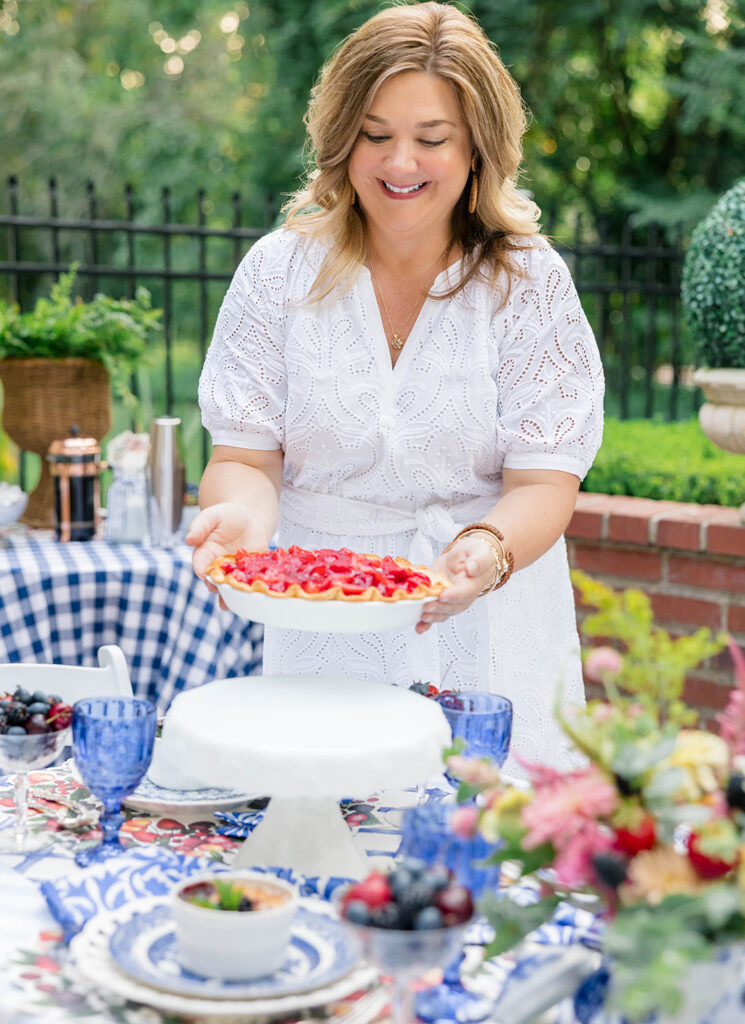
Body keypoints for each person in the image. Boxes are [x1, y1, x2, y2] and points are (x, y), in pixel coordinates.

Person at [187, 1, 604, 771]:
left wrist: (485, 550)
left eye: (431, 139)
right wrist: (240, 520)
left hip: (489, 626)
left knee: (488, 832)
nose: (399, 163)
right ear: (340, 140)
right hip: (324, 625)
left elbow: (545, 481)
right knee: (329, 820)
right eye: (374, 135)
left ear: (477, 149)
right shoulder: (276, 273)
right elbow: (246, 459)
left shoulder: (528, 282)